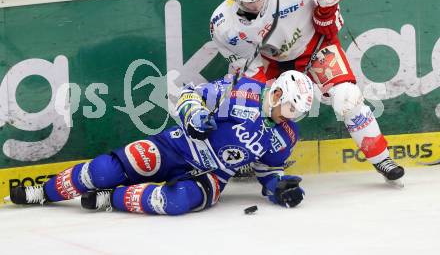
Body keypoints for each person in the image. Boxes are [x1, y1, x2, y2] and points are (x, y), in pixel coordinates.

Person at [9, 70, 314, 214]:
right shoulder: (241, 89)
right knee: (103, 171)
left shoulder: (286, 135)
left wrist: (279, 187)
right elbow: (189, 94)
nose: (291, 118)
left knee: (177, 202)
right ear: (277, 94)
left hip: (211, 175)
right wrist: (194, 115)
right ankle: (43, 192)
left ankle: (110, 199)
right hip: (177, 146)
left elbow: (267, 170)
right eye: (291, 109)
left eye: (298, 114)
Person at [209, 0, 405, 182]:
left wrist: (326, 11)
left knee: (347, 98)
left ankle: (381, 159)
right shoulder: (223, 24)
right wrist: (258, 94)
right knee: (256, 108)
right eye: (249, 2)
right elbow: (245, 64)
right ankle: (251, 160)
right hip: (271, 61)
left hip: (315, 45)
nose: (257, 5)